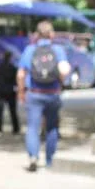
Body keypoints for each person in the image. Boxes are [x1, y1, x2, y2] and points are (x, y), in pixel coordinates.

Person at [17, 20, 71, 171]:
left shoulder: (30, 50)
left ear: (36, 35)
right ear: (52, 34)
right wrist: (60, 83)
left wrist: (21, 92)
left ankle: (33, 156)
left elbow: (21, 74)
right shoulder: (58, 50)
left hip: (34, 94)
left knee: (33, 128)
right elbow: (64, 70)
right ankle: (49, 160)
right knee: (52, 128)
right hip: (52, 94)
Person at [0, 50, 20, 134]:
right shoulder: (13, 68)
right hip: (10, 92)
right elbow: (16, 81)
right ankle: (15, 128)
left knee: (0, 112)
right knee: (13, 111)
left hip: (1, 91)